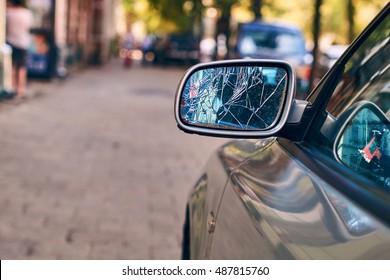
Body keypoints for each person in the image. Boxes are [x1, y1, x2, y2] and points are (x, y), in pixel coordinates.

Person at [6, 0, 33, 99]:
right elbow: (29, 27)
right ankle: (21, 89)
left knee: (12, 65)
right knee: (22, 66)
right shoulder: (27, 13)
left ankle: (12, 87)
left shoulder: (8, 13)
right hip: (23, 42)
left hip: (10, 42)